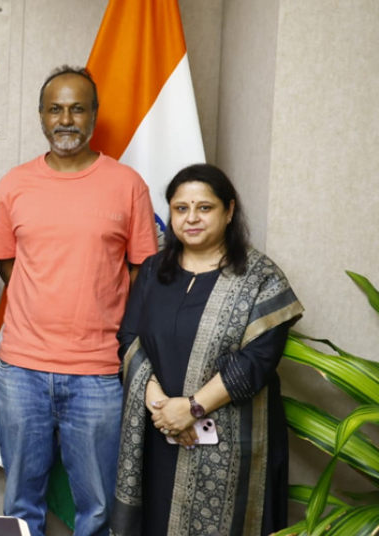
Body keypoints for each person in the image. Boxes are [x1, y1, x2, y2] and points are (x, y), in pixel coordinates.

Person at [0, 66, 158, 535]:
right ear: (41, 116)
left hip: (98, 373)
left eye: (77, 109)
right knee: (20, 504)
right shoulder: (14, 184)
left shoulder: (128, 185)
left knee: (98, 509)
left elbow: (142, 273)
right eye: (55, 109)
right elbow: (8, 265)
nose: (66, 120)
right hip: (21, 370)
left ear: (94, 115)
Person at [111, 164, 303, 536]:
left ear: (229, 211)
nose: (192, 218)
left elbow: (257, 361)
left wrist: (191, 409)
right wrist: (164, 410)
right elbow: (130, 339)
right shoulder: (153, 270)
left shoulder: (261, 278)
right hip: (158, 433)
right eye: (181, 208)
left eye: (204, 207)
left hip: (231, 443)